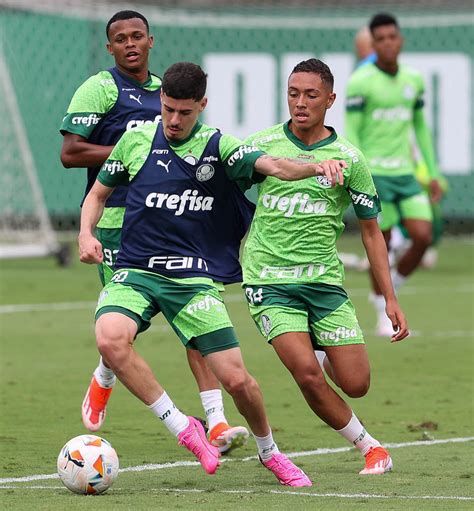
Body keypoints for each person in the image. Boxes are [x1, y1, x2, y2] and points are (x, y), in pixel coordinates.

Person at [78, 61, 345, 484]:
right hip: (137, 270)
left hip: (193, 280)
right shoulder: (136, 141)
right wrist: (85, 234)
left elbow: (275, 166)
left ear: (202, 105)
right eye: (167, 109)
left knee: (239, 382)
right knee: (110, 338)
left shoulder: (219, 146)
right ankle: (185, 428)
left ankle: (270, 452)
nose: (174, 120)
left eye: (184, 112)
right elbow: (97, 195)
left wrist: (316, 166)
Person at [60, 10, 248, 453]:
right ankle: (104, 376)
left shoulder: (169, 92)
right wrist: (139, 150)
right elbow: (70, 153)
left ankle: (217, 421)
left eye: (137, 36)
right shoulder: (101, 88)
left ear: (151, 41)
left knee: (196, 317)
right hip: (116, 227)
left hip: (175, 221)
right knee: (122, 329)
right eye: (120, 38)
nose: (130, 43)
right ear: (110, 47)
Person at [242, 58, 409, 476]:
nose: (300, 103)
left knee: (356, 383)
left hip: (323, 283)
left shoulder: (350, 159)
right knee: (308, 375)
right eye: (293, 93)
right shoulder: (262, 145)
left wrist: (389, 298)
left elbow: (372, 232)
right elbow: (225, 192)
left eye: (311, 95)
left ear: (330, 99)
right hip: (269, 281)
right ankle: (371, 447)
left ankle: (319, 341)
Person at [345, 13, 443, 337]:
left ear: (400, 40)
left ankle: (390, 289)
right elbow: (352, 131)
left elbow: (420, 128)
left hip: (405, 175)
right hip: (374, 175)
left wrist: (432, 171)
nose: (388, 43)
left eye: (392, 36)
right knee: (381, 244)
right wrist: (357, 173)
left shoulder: (413, 80)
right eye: (381, 38)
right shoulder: (361, 82)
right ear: (373, 45)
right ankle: (382, 311)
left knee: (423, 235)